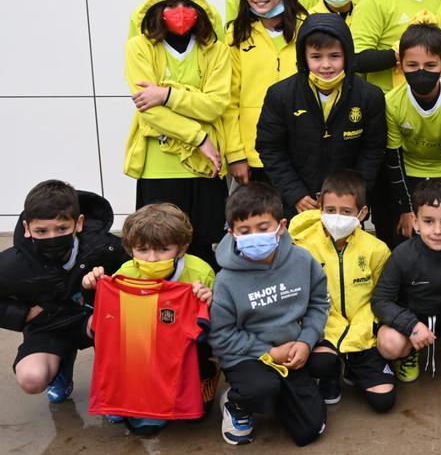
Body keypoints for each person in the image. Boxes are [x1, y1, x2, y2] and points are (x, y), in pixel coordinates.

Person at [210, 183, 329, 447]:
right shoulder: (226, 280)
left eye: (263, 228)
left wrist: (306, 341)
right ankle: (236, 403)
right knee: (261, 389)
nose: (255, 235)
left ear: (281, 226)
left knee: (310, 431)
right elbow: (221, 335)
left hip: (293, 349)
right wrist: (267, 352)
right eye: (244, 230)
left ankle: (290, 390)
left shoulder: (302, 260)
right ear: (232, 233)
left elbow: (319, 302)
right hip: (248, 356)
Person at [125, 0, 230, 268]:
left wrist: (167, 95)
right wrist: (199, 137)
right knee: (156, 247)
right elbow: (148, 110)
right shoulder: (139, 47)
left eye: (188, 4)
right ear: (156, 9)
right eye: (170, 5)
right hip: (159, 166)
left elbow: (214, 105)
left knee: (205, 248)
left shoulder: (216, 50)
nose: (180, 12)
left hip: (205, 168)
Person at [0, 181, 125, 404]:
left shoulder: (107, 248)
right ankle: (61, 364)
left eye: (61, 229)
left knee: (117, 329)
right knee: (31, 378)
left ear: (78, 223)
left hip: (92, 320)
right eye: (41, 231)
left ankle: (114, 388)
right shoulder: (12, 263)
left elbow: (142, 272)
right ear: (27, 228)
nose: (52, 237)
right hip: (48, 326)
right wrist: (21, 314)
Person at [256, 13, 387, 217]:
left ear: (347, 55)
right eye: (316, 57)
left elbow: (373, 151)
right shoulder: (280, 95)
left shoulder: (370, 96)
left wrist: (355, 195)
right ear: (303, 57)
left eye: (335, 56)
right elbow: (271, 148)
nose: (326, 65)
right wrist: (295, 193)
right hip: (298, 202)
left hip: (347, 205)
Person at [105, 202, 217, 433]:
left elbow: (217, 324)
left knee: (195, 414)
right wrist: (93, 286)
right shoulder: (125, 274)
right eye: (142, 249)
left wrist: (209, 301)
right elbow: (113, 323)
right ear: (129, 248)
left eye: (163, 249)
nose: (152, 258)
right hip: (144, 347)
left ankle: (207, 374)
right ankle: (127, 391)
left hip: (187, 346)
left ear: (182, 248)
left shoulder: (200, 272)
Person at [288, 171, 394, 412]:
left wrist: (358, 331)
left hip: (363, 330)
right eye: (330, 210)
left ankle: (354, 368)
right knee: (321, 362)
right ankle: (329, 375)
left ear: (362, 213)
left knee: (384, 401)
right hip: (324, 328)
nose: (337, 217)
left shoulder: (377, 249)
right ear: (320, 206)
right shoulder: (302, 247)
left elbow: (381, 296)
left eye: (346, 212)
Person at [372, 179, 441, 402]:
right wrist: (410, 325)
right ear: (415, 222)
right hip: (414, 319)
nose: (437, 230)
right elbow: (380, 300)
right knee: (388, 343)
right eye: (428, 221)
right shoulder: (402, 254)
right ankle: (409, 353)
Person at [382, 23, 441, 247]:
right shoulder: (391, 103)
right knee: (405, 238)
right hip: (409, 175)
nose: (421, 71)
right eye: (412, 65)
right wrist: (406, 209)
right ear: (400, 66)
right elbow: (394, 160)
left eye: (430, 65)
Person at [226, 0, 308, 187]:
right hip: (254, 154)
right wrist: (235, 154)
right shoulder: (235, 36)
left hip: (301, 150)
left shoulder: (307, 29)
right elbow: (229, 100)